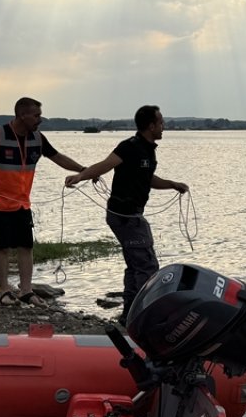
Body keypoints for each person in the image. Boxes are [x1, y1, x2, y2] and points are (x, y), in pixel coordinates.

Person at [65, 105, 188, 325]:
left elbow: (147, 178)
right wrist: (80, 176)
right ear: (151, 125)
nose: (163, 127)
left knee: (135, 264)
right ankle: (144, 316)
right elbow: (105, 165)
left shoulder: (149, 150)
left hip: (133, 216)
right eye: (161, 123)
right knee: (147, 266)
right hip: (124, 216)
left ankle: (129, 314)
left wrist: (172, 184)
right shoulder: (129, 147)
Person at [0, 97, 85, 306]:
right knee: (1, 248)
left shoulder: (38, 138)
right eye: (37, 115)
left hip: (22, 203)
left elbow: (59, 158)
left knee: (26, 246)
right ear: (23, 115)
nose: (41, 119)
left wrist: (84, 171)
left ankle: (26, 291)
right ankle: (4, 291)